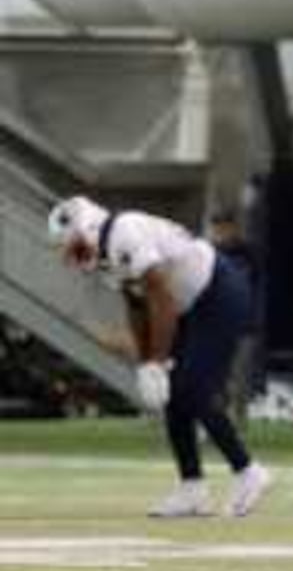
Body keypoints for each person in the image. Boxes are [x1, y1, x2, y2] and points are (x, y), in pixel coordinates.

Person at [48, 196, 273, 519]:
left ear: (90, 228)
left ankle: (247, 471)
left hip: (218, 291)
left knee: (192, 388)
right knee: (174, 394)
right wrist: (145, 362)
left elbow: (160, 297)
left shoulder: (125, 232)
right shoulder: (107, 253)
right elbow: (136, 306)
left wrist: (157, 360)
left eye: (76, 248)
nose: (76, 258)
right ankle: (192, 487)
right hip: (191, 304)